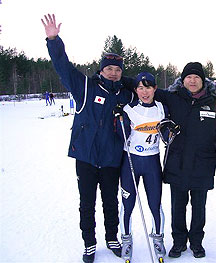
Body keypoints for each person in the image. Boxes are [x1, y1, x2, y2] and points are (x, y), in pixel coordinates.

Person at [41, 14, 134, 263]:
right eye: (108, 69)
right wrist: (53, 40)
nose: (113, 73)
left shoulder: (126, 95)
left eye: (117, 70)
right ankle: (89, 242)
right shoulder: (85, 88)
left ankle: (112, 237)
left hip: (113, 157)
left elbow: (148, 90)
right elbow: (63, 66)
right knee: (87, 203)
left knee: (111, 201)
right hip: (86, 156)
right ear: (100, 69)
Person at [154, 62, 216, 259]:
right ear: (182, 80)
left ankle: (197, 242)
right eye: (189, 77)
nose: (192, 80)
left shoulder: (214, 100)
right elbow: (144, 87)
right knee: (178, 206)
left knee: (199, 207)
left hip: (203, 162)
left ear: (203, 80)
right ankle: (179, 242)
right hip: (178, 162)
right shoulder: (172, 97)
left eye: (197, 77)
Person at [115, 72, 168, 262]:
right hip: (131, 162)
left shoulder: (162, 108)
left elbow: (166, 132)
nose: (144, 92)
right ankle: (126, 240)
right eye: (140, 88)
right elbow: (120, 135)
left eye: (148, 87)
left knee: (155, 204)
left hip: (152, 162)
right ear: (135, 90)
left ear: (154, 88)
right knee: (128, 204)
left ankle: (158, 237)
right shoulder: (128, 109)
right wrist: (119, 122)